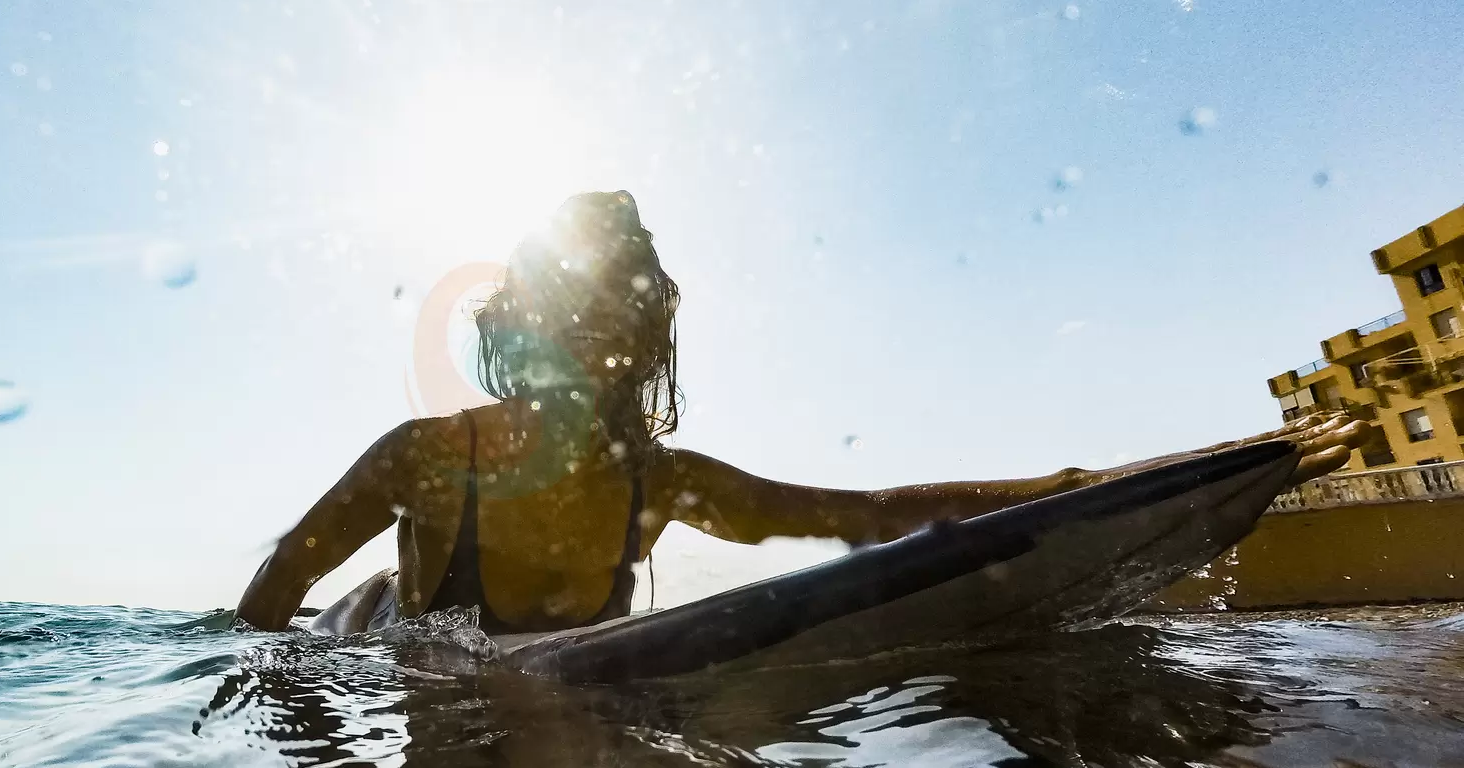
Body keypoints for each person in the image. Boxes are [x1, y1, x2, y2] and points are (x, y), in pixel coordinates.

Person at [235, 190, 1368, 635]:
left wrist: (1078, 487)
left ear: (638, 338)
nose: (586, 340)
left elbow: (866, 511)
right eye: (560, 313)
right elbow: (272, 600)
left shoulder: (665, 482)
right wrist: (322, 758)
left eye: (609, 317)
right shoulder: (427, 460)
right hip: (377, 634)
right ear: (520, 326)